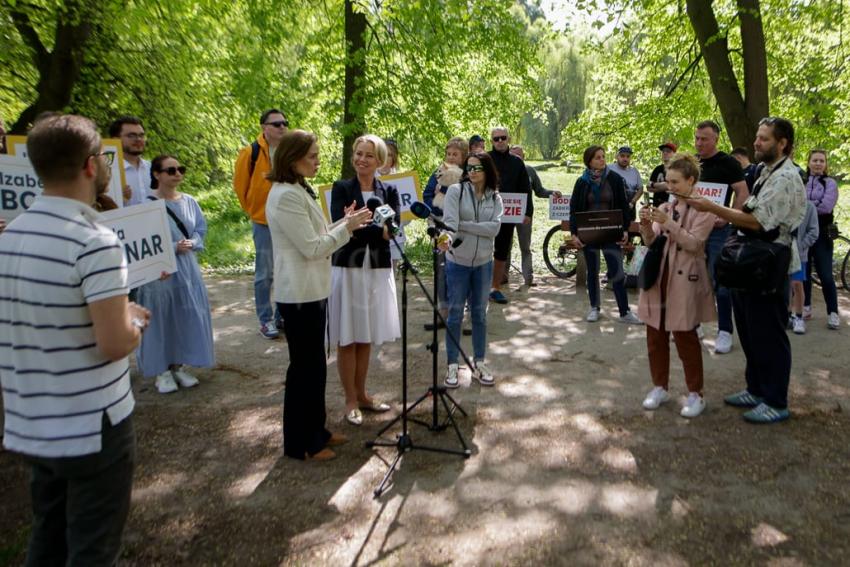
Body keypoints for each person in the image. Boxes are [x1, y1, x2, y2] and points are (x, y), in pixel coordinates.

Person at [1, 114, 150, 565]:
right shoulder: (95, 241)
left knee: (47, 536)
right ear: (91, 166)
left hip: (32, 421)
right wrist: (134, 320)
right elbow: (114, 344)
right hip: (92, 424)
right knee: (92, 548)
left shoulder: (10, 237)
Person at [688, 117, 806, 424]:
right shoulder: (767, 171)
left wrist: (713, 208)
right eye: (757, 137)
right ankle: (756, 389)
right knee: (751, 330)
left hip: (770, 262)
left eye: (764, 139)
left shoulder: (786, 178)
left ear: (782, 144)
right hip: (751, 262)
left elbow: (756, 221)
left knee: (769, 332)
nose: (756, 143)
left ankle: (776, 399)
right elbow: (749, 210)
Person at [266, 130, 372, 461]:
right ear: (292, 158)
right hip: (298, 293)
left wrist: (345, 220)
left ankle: (318, 431)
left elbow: (317, 233)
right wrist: (348, 229)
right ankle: (301, 445)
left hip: (311, 290)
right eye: (312, 155)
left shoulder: (297, 188)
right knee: (304, 370)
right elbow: (312, 248)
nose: (318, 160)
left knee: (315, 367)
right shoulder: (285, 196)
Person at [329, 134, 401, 426]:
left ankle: (362, 394)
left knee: (365, 335)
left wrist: (362, 225)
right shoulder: (341, 188)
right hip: (349, 269)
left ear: (380, 160)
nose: (362, 159)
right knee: (348, 335)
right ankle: (349, 400)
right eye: (358, 153)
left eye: (369, 155)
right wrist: (371, 229)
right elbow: (343, 228)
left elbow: (392, 231)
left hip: (378, 269)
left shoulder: (390, 190)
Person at [638, 153, 717, 418]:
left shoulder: (704, 208)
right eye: (668, 181)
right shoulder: (667, 206)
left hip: (684, 279)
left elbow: (695, 244)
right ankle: (659, 386)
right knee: (655, 335)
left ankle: (696, 394)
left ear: (691, 181)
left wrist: (667, 223)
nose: (669, 187)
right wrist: (646, 226)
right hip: (658, 278)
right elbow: (652, 243)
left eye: (675, 182)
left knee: (685, 336)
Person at [135, 155, 215, 393]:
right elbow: (143, 240)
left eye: (180, 169)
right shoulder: (146, 204)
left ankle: (179, 364)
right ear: (157, 174)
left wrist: (193, 242)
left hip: (187, 268)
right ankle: (161, 370)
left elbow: (200, 228)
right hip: (161, 272)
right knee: (162, 316)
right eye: (170, 170)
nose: (177, 174)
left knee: (185, 313)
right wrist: (172, 247)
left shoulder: (189, 201)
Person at [439, 152, 504, 387]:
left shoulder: (495, 198)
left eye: (477, 168)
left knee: (479, 314)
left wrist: (466, 225)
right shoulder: (456, 192)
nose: (472, 172)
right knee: (455, 314)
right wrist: (447, 236)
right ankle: (452, 365)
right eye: (469, 168)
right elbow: (450, 225)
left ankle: (479, 363)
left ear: (487, 171)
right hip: (458, 263)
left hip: (484, 264)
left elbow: (494, 229)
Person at [694, 120, 750, 354]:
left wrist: (727, 217)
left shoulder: (728, 163)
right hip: (693, 229)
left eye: (704, 139)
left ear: (716, 139)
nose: (699, 143)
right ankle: (693, 325)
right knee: (692, 276)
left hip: (718, 231)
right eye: (697, 138)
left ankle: (725, 331)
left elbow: (743, 192)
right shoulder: (691, 163)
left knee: (721, 281)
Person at [569, 146, 642, 324]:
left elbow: (624, 206)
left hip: (611, 232)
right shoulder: (581, 182)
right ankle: (594, 308)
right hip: (589, 234)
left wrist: (624, 229)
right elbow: (574, 210)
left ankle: (625, 312)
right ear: (589, 161)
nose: (602, 160)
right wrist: (574, 233)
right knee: (592, 272)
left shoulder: (615, 179)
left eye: (603, 157)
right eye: (598, 158)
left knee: (617, 272)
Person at [233, 108, 289, 339]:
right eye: (277, 124)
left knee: (286, 271)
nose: (282, 127)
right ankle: (265, 320)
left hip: (287, 222)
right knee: (264, 274)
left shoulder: (289, 152)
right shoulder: (251, 152)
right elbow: (240, 187)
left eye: (285, 123)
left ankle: (281, 316)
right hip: (263, 223)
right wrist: (255, 212)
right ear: (264, 127)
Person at [422, 136, 469, 329]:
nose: (450, 157)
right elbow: (427, 195)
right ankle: (443, 312)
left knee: (461, 271)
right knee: (441, 270)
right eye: (448, 154)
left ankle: (460, 313)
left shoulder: (468, 175)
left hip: (462, 229)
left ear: (463, 157)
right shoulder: (438, 173)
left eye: (455, 154)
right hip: (440, 227)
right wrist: (432, 210)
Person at [488, 126, 532, 304]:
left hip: (508, 215)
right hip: (485, 213)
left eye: (503, 138)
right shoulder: (485, 159)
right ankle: (480, 287)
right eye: (496, 139)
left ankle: (495, 288)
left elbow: (525, 189)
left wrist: (527, 212)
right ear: (492, 141)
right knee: (483, 250)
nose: (500, 141)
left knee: (502, 251)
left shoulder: (517, 162)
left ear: (508, 139)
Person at [508, 144, 562, 286]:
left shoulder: (530, 171)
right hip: (506, 214)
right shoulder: (504, 170)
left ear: (523, 157)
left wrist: (552, 193)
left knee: (525, 247)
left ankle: (528, 277)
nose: (516, 158)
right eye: (513, 155)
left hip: (525, 215)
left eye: (519, 155)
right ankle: (502, 276)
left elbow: (539, 191)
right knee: (505, 246)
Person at [802, 149, 841, 329]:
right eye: (815, 160)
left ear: (826, 164)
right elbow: (794, 202)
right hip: (802, 233)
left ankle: (833, 312)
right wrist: (812, 205)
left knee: (825, 275)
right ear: (808, 162)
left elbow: (826, 206)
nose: (818, 163)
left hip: (822, 235)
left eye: (821, 161)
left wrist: (807, 206)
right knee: (804, 273)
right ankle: (805, 306)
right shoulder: (801, 180)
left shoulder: (830, 183)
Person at [789, 200, 819, 334]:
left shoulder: (809, 206)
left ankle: (799, 317)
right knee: (784, 285)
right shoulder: (781, 200)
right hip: (780, 250)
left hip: (798, 253)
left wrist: (800, 246)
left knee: (797, 283)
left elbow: (814, 231)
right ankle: (787, 315)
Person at [109, 116, 150, 206]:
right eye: (131, 135)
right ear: (115, 140)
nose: (138, 139)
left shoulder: (153, 169)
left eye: (141, 135)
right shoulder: (108, 173)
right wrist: (116, 198)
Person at [647, 141, 677, 207]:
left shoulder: (677, 169)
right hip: (656, 207)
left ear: (674, 154)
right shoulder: (657, 169)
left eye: (668, 151)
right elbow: (648, 187)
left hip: (671, 207)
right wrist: (663, 187)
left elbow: (669, 186)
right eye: (663, 151)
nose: (665, 153)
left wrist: (653, 185)